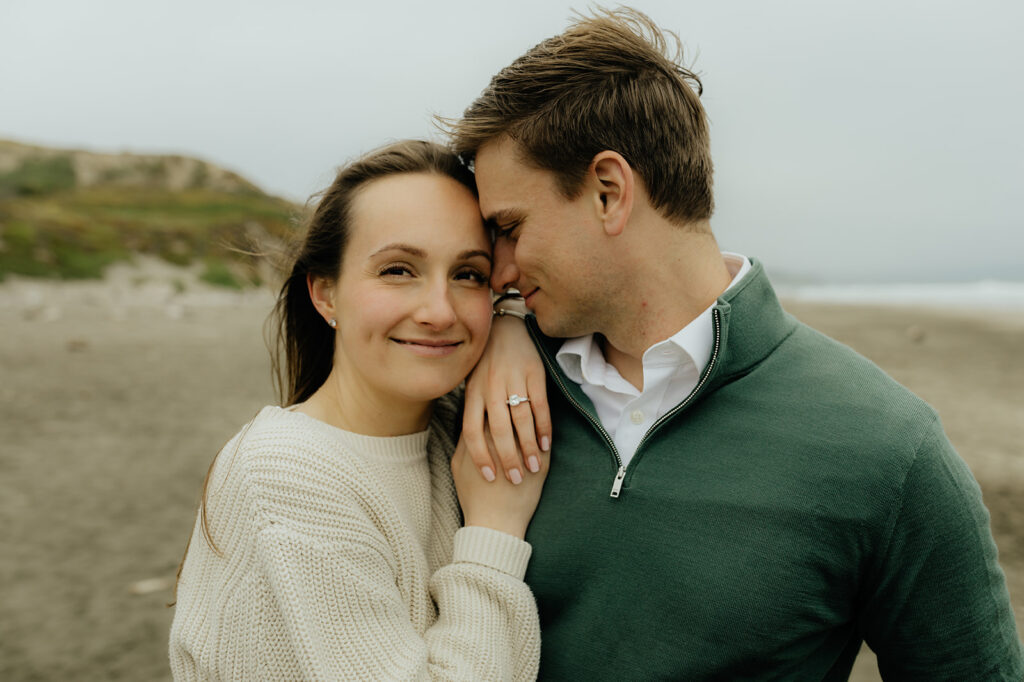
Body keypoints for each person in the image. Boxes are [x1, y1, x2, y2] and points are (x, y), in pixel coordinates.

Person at [450, 8, 1024, 680]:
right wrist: (506, 326)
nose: (504, 270)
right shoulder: (480, 398)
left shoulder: (889, 450)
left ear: (609, 192)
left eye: (512, 228)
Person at [169, 140, 547, 680]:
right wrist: (494, 530)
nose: (440, 312)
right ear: (325, 294)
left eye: (468, 275)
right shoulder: (286, 469)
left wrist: (510, 322)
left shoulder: (451, 431)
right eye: (398, 270)